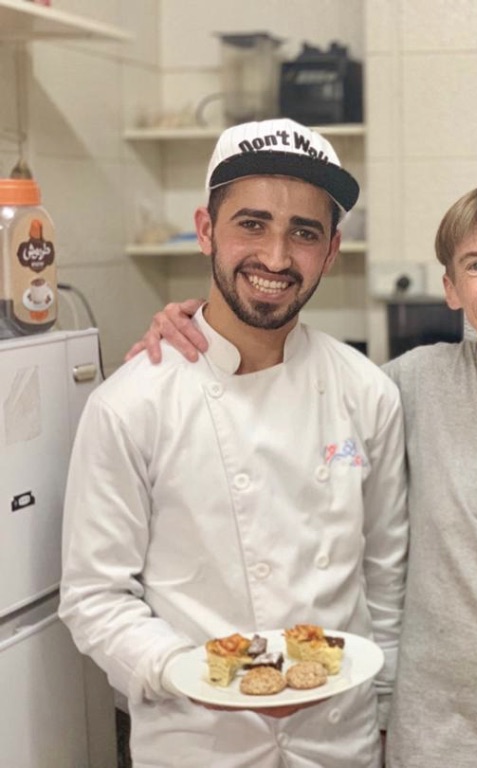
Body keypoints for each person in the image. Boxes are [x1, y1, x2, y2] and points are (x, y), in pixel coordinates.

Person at [128, 184, 477, 767]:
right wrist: (195, 329)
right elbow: (278, 388)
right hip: (432, 733)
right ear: (451, 289)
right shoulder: (405, 387)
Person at [59, 118, 408, 767]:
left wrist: (385, 715)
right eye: (252, 224)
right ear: (205, 230)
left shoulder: (368, 393)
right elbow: (94, 597)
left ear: (331, 250)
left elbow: (385, 578)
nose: (276, 258)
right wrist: (186, 673)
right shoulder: (131, 404)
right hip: (195, 743)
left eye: (304, 233)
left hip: (340, 742)